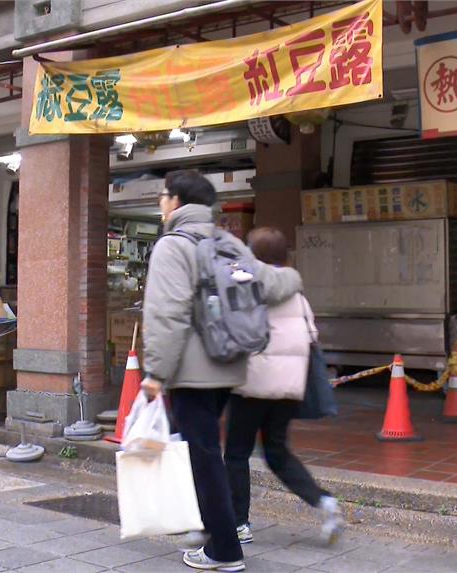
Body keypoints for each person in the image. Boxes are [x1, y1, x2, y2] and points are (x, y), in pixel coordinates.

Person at [141, 170, 302, 572]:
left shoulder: (173, 246)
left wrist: (156, 372)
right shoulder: (227, 242)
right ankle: (208, 528)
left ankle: (224, 550)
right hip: (230, 364)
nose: (161, 204)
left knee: (204, 457)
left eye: (163, 197)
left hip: (192, 372)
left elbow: (167, 314)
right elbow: (268, 282)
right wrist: (295, 277)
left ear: (175, 201)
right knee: (206, 452)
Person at [224, 227, 343, 547]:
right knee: (276, 452)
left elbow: (234, 332)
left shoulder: (246, 285)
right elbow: (311, 337)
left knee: (236, 453)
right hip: (289, 389)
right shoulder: (297, 294)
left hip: (251, 386)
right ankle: (324, 502)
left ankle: (238, 524)